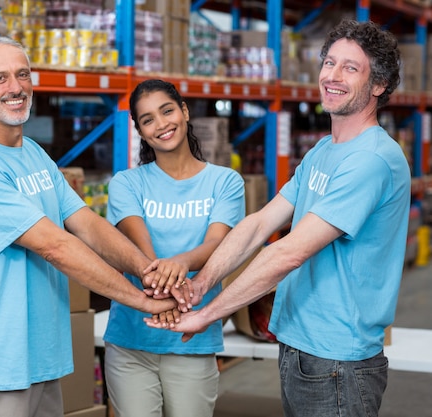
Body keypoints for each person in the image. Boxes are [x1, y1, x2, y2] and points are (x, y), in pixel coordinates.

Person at [146, 19, 410, 417]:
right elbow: (258, 225)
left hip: (337, 358)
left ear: (379, 85)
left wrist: (206, 316)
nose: (332, 76)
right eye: (330, 63)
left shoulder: (370, 160)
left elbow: (285, 254)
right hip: (301, 347)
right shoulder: (325, 149)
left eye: (350, 68)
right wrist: (202, 285)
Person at [0, 37, 178, 417]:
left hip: (40, 356)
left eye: (22, 74)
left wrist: (148, 272)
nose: (15, 87)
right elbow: (54, 246)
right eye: (0, 78)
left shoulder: (32, 153)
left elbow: (87, 224)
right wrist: (142, 300)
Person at [103, 79, 246, 417]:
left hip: (193, 338)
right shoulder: (126, 183)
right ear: (139, 129)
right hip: (131, 341)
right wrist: (163, 292)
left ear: (183, 111)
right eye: (148, 119)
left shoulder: (224, 182)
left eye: (167, 111)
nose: (161, 124)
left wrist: (181, 262)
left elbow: (217, 245)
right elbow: (142, 252)